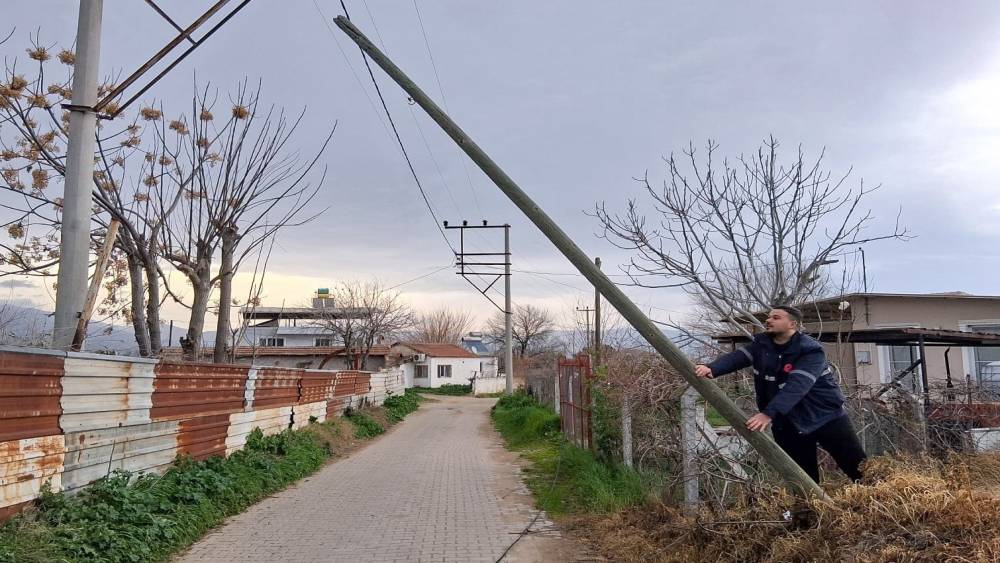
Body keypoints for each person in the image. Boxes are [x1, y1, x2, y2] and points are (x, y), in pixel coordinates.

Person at [695, 305, 866, 483]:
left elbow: (797, 386)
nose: (768, 320)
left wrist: (768, 414)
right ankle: (809, 502)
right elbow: (737, 358)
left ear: (792, 324)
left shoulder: (810, 350)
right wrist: (712, 368)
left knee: (859, 469)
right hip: (788, 423)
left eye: (776, 317)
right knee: (802, 480)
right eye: (769, 317)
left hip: (825, 417)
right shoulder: (761, 345)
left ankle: (873, 497)